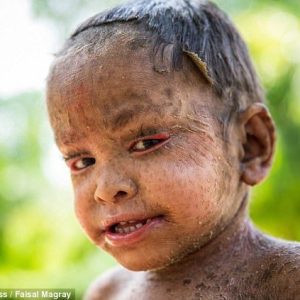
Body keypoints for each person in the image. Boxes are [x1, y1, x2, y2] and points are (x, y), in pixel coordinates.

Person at [46, 0, 300, 299]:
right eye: (82, 161)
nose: (106, 189)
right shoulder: (107, 292)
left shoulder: (286, 282)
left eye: (146, 143)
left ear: (248, 145)